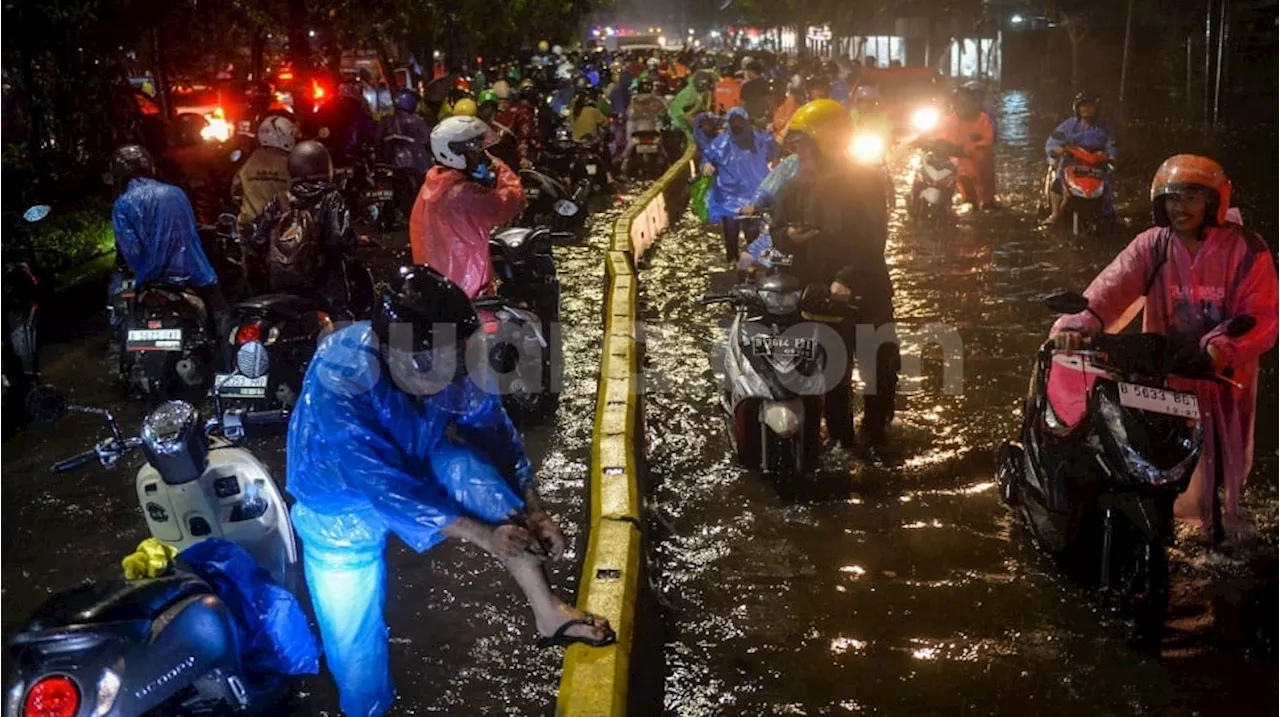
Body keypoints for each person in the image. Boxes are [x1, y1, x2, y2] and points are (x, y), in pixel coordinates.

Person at [289, 267, 615, 717]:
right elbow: (383, 485)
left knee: (471, 469)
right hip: (340, 500)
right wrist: (483, 535)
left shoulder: (449, 362)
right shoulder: (342, 373)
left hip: (415, 454)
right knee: (355, 645)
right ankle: (367, 707)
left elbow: (493, 431)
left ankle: (548, 612)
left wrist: (533, 509)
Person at [1050, 156, 1278, 544]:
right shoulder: (1153, 245)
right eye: (1173, 198)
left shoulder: (1247, 250)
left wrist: (1222, 347)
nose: (1180, 207)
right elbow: (1109, 290)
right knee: (1152, 464)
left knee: (1220, 479)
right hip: (1161, 381)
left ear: (1214, 202)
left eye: (1192, 197)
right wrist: (1076, 326)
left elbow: (1262, 315)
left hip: (1223, 381)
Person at [768, 100, 899, 449]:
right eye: (797, 148)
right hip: (817, 293)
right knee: (832, 376)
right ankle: (842, 439)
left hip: (867, 292)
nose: (801, 155)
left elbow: (874, 238)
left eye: (805, 147)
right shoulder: (794, 185)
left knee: (880, 371)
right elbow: (777, 228)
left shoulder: (866, 180)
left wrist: (847, 277)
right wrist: (789, 238)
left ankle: (876, 433)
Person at [109, 144, 230, 366]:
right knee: (221, 313)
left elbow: (130, 250)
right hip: (192, 272)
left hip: (149, 279)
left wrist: (144, 272)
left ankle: (125, 359)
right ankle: (225, 366)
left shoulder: (122, 205)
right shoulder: (176, 193)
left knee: (123, 313)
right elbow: (190, 231)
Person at [410, 116, 524, 298]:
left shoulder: (431, 185)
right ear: (453, 154)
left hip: (437, 286)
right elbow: (511, 201)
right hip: (468, 287)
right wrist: (500, 168)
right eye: (475, 152)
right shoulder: (464, 194)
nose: (480, 156)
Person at [246, 141, 357, 316]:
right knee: (342, 325)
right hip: (324, 284)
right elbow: (339, 240)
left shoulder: (281, 199)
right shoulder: (332, 198)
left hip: (282, 283)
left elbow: (256, 238)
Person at [702, 107, 779, 264]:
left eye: (740, 122)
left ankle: (755, 267)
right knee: (731, 234)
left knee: (753, 235)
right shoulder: (721, 144)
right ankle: (733, 263)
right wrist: (706, 165)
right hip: (727, 196)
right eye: (734, 123)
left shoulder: (758, 140)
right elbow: (707, 156)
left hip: (752, 197)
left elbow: (774, 149)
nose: (737, 126)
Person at [1043, 91, 1117, 225]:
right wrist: (1058, 149)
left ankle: (1107, 213)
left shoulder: (1104, 128)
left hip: (1095, 166)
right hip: (1071, 162)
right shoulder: (1069, 125)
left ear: (1096, 109)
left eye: (1090, 106)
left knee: (1106, 186)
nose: (1086, 109)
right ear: (1077, 108)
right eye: (1083, 106)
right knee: (1058, 181)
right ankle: (1055, 213)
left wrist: (1110, 156)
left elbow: (1111, 146)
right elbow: (1053, 141)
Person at [232, 115, 296, 237]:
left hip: (249, 229)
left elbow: (236, 193)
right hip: (283, 231)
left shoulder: (250, 161)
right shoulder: (292, 163)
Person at [935, 87, 996, 210]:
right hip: (959, 167)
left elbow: (987, 140)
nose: (962, 107)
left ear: (975, 104)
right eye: (959, 103)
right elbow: (934, 134)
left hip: (980, 167)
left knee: (986, 204)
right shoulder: (949, 120)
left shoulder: (983, 119)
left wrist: (968, 149)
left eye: (965, 102)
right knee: (968, 200)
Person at [378, 89, 432, 186]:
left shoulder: (386, 121)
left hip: (389, 166)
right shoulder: (418, 121)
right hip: (416, 166)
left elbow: (378, 141)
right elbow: (426, 140)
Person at [620, 78, 669, 176]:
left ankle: (624, 163)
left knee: (628, 146)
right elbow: (664, 114)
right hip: (653, 130)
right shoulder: (657, 100)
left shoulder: (634, 100)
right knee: (663, 148)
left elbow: (628, 115)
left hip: (636, 130)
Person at [670, 72, 714, 137]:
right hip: (681, 125)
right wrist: (685, 123)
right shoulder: (688, 94)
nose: (706, 90)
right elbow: (674, 108)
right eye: (705, 87)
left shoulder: (698, 93)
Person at [771, 77, 804, 143]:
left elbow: (788, 122)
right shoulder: (778, 103)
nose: (773, 93)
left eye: (776, 90)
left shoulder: (791, 101)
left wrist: (781, 135)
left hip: (786, 137)